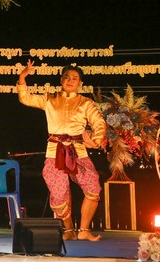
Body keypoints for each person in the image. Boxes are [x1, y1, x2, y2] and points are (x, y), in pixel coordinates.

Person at [17, 61, 107, 241]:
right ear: (61, 80)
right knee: (58, 194)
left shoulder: (86, 103)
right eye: (67, 77)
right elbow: (25, 98)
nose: (70, 80)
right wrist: (23, 76)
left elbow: (99, 123)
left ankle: (84, 230)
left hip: (78, 150)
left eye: (74, 78)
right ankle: (69, 230)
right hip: (54, 150)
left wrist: (95, 141)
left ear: (80, 83)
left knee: (93, 186)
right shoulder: (50, 99)